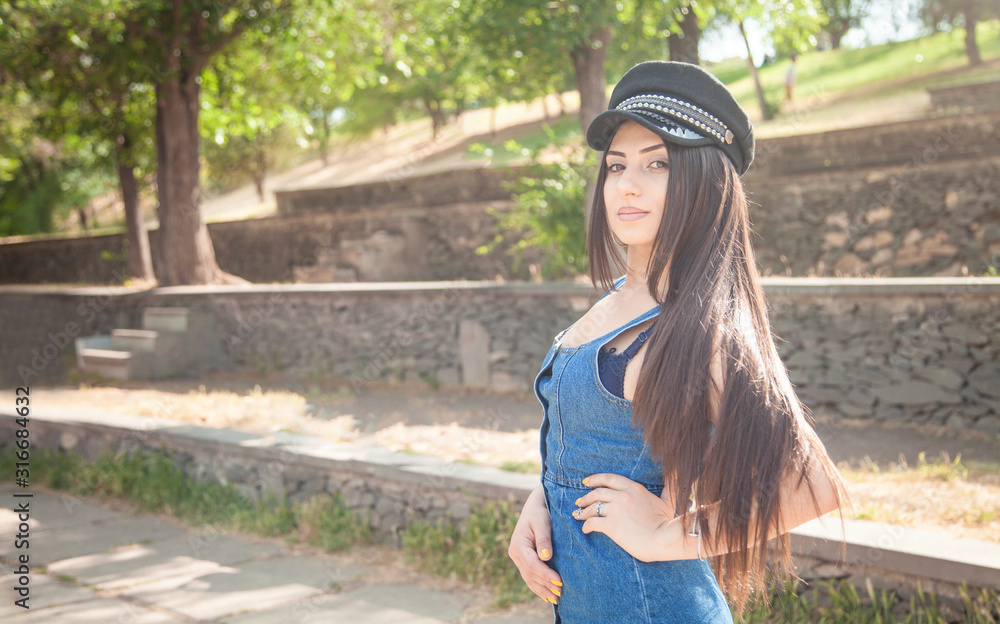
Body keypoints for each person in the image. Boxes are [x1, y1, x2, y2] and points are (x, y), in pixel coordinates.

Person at [507, 60, 847, 623]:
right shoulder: (616, 298)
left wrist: (668, 537)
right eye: (616, 166)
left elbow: (814, 486)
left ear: (704, 179)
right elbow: (596, 441)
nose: (627, 184)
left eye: (656, 163)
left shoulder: (700, 325)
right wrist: (545, 498)